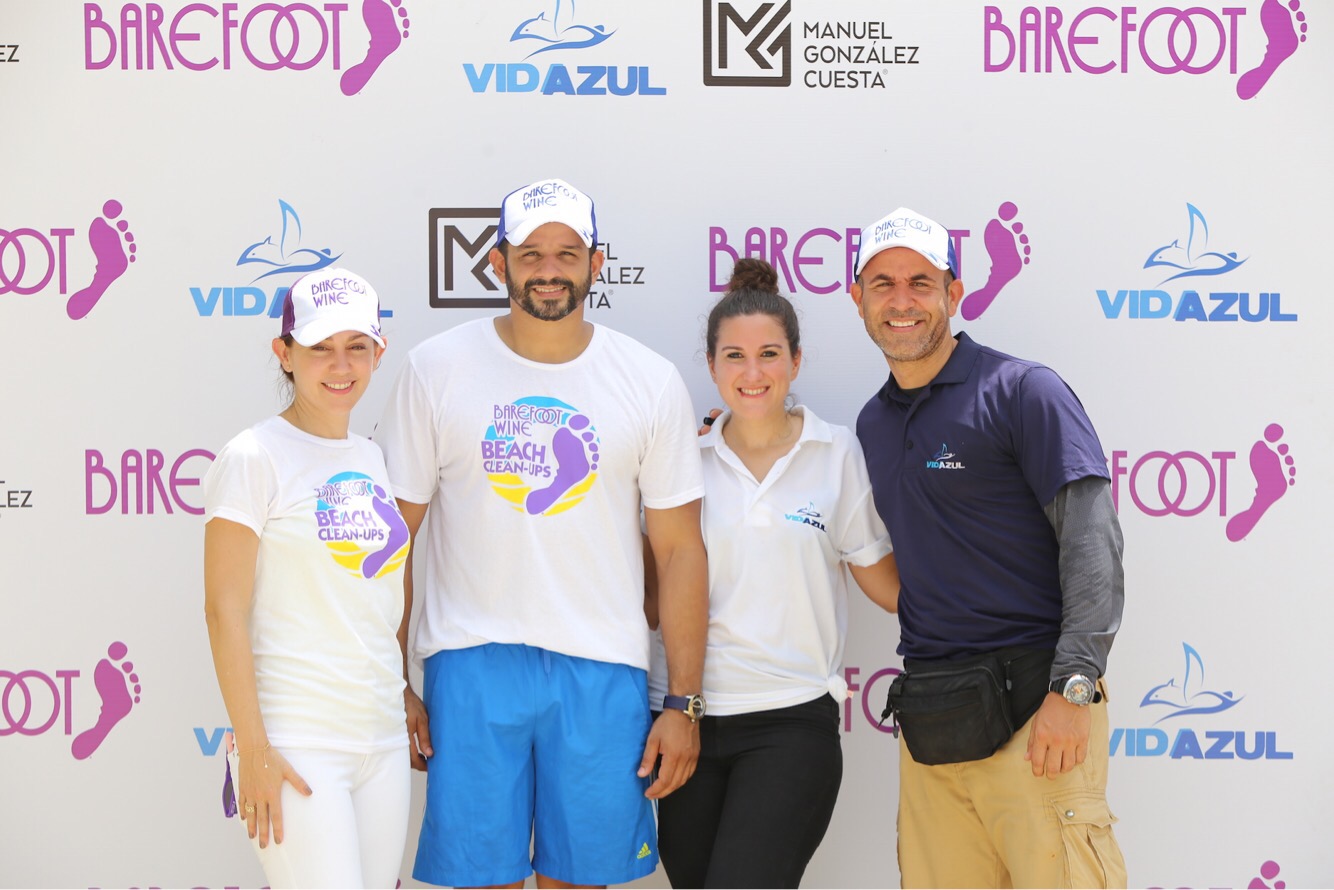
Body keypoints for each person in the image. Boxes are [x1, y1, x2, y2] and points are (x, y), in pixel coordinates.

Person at [375, 177, 708, 889]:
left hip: (603, 666)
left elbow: (680, 550)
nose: (549, 270)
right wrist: (391, 680)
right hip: (471, 661)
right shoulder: (435, 370)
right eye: (530, 254)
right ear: (498, 263)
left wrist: (683, 701)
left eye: (566, 253)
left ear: (596, 262)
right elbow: (391, 541)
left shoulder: (647, 380)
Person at [849, 207, 1128, 888]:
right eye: (883, 284)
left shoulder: (1023, 391)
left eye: (921, 281)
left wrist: (1073, 689)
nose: (902, 300)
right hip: (933, 723)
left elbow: (1092, 542)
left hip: (1038, 714)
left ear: (955, 292)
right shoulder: (873, 422)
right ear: (857, 299)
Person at [646, 258, 900, 889]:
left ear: (796, 361)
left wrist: (990, 606)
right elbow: (652, 598)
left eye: (769, 354)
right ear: (711, 367)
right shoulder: (682, 461)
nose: (752, 373)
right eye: (734, 356)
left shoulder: (836, 453)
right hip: (685, 720)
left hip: (791, 722)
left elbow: (886, 584)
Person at [202, 268, 413, 888]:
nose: (340, 365)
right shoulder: (253, 457)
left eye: (356, 346)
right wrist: (254, 749)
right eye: (320, 347)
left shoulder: (372, 458)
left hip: (380, 739)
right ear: (284, 354)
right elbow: (222, 610)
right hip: (296, 740)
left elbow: (376, 599)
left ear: (378, 354)